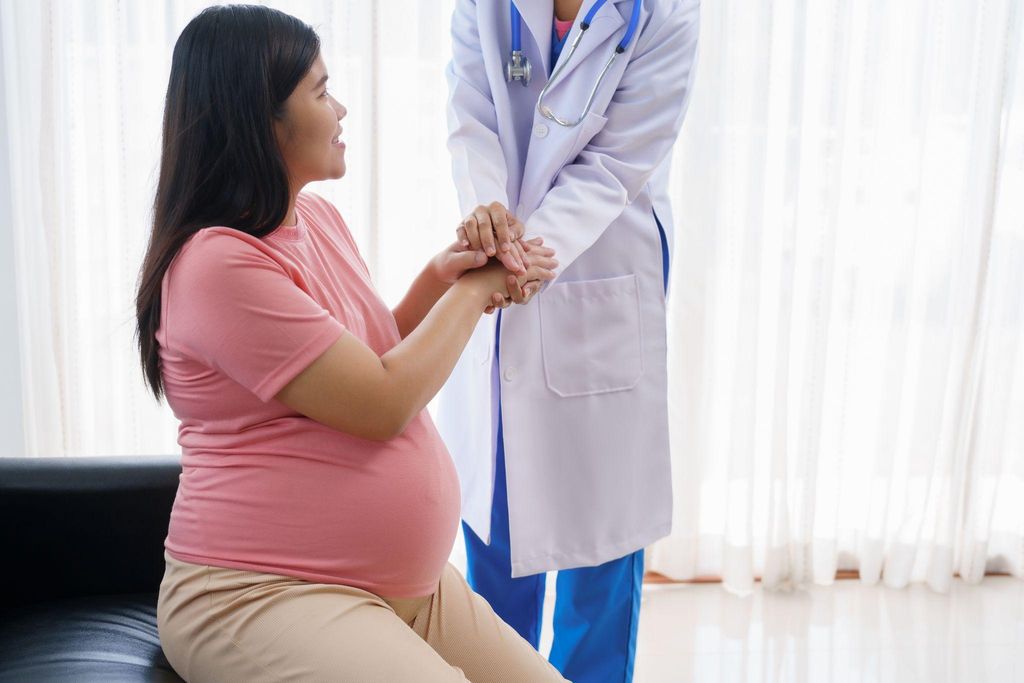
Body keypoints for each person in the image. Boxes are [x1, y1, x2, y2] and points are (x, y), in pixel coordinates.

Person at [134, 5, 566, 681]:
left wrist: (444, 273)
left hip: (396, 586)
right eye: (318, 91)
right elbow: (381, 401)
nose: (339, 110)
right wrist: (477, 288)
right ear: (259, 119)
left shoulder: (316, 218)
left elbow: (364, 358)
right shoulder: (214, 264)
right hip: (258, 592)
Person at [437, 1, 701, 680]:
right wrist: (486, 211)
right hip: (494, 261)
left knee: (600, 547)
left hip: (601, 261)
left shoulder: (664, 13)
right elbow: (473, 114)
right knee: (494, 543)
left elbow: (617, 163)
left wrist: (526, 250)